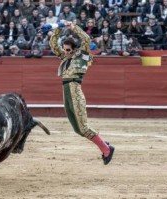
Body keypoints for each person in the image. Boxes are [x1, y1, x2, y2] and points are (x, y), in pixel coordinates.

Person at [47, 21, 115, 165]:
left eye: (68, 50)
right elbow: (53, 45)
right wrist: (58, 29)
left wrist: (74, 28)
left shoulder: (82, 55)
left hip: (75, 90)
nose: (65, 52)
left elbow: (86, 39)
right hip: (66, 91)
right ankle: (103, 143)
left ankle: (106, 148)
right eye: (64, 50)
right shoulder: (66, 57)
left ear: (74, 49)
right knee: (77, 128)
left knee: (82, 127)